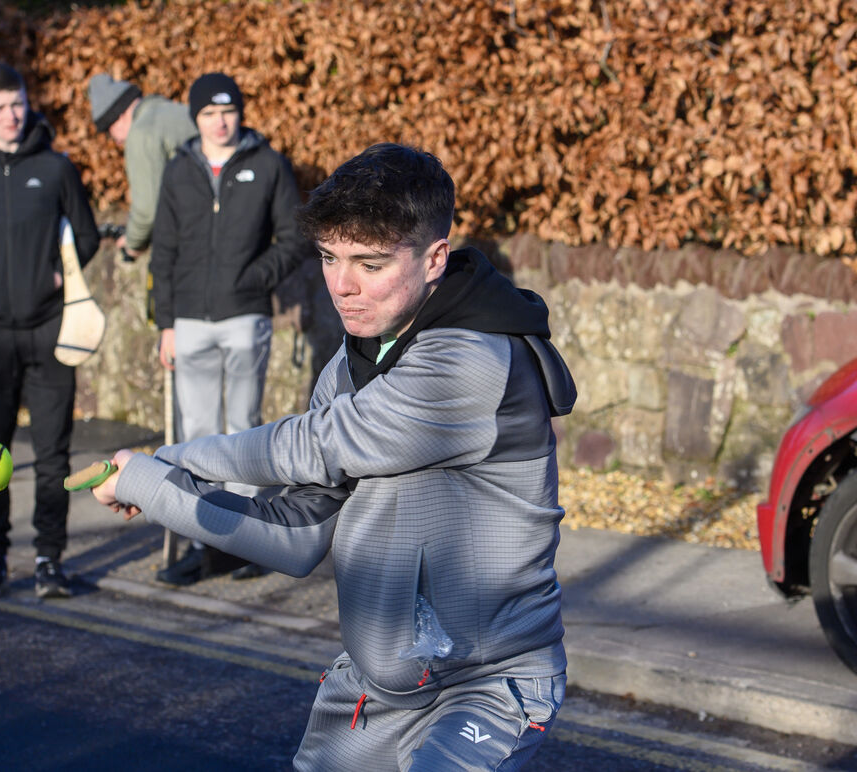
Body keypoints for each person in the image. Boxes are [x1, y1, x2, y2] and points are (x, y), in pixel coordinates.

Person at [92, 143, 576, 770]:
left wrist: (168, 455)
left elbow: (317, 446)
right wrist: (152, 484)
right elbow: (297, 534)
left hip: (486, 689)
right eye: (329, 257)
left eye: (370, 264)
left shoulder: (470, 361)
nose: (342, 286)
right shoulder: (350, 366)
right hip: (377, 691)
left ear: (434, 259)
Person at [0, 62, 101, 599]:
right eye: (0, 107)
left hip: (51, 330)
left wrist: (61, 273)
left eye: (18, 104)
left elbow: (89, 236)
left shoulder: (54, 169)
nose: (12, 115)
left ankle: (50, 559)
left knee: (53, 455)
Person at [144, 72, 309, 585]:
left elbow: (294, 235)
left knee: (243, 431)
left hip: (245, 317)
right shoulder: (179, 170)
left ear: (241, 113)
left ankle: (244, 541)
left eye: (228, 111)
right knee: (195, 435)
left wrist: (253, 278)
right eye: (209, 113)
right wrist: (165, 322)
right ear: (195, 118)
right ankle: (201, 543)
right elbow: (164, 250)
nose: (220, 122)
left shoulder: (268, 165)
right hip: (190, 320)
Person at [87, 73, 196, 260]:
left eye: (110, 131)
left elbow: (147, 210)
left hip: (191, 243)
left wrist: (132, 244)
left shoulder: (141, 133)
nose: (117, 141)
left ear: (119, 116)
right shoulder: (179, 111)